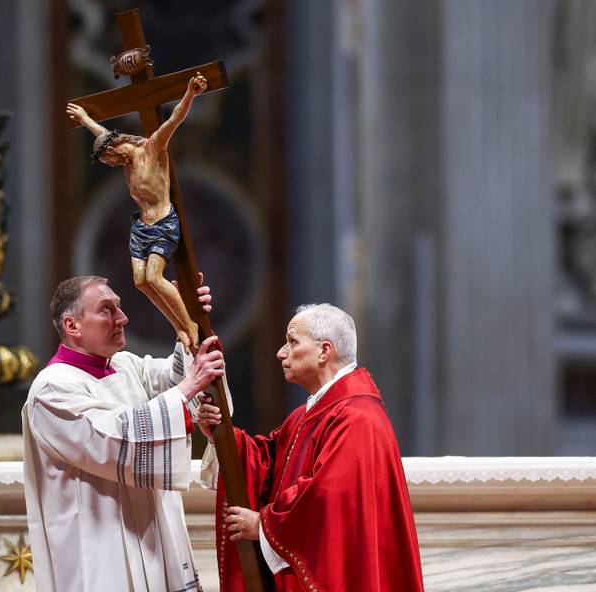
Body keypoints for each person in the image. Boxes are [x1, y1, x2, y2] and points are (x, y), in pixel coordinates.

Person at [197, 304, 425, 591]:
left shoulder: (358, 418)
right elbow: (266, 464)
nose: (281, 352)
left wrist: (264, 525)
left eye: (292, 342)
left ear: (324, 351)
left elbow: (327, 498)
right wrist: (222, 436)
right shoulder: (312, 414)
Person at [22, 274, 223, 591]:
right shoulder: (52, 389)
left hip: (150, 537)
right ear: (72, 325)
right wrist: (187, 389)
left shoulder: (125, 364)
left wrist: (186, 320)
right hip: (100, 547)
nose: (122, 317)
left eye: (119, 307)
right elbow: (111, 441)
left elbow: (177, 379)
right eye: (106, 309)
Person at [65, 73, 208, 352]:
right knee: (140, 282)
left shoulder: (152, 148)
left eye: (109, 159)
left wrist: (190, 93)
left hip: (162, 222)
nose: (111, 164)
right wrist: (84, 119)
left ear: (117, 150)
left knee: (155, 277)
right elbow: (103, 135)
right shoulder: (122, 157)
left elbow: (174, 119)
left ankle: (189, 325)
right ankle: (178, 325)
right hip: (141, 226)